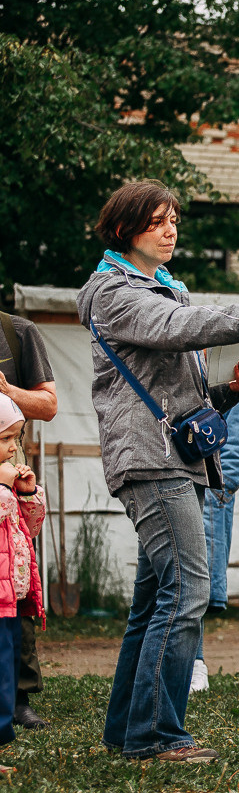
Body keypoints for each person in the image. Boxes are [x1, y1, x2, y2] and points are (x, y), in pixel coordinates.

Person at [77, 179, 239, 762]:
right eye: (157, 220)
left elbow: (166, 382)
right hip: (152, 464)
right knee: (188, 591)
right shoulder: (113, 292)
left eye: (174, 219)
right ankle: (157, 736)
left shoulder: (161, 288)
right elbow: (184, 327)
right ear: (122, 229)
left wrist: (225, 394)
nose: (170, 229)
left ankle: (126, 730)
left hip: (171, 457)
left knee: (155, 599)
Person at [0, 310, 57, 730]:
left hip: (7, 466)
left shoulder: (17, 333)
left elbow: (49, 405)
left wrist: (7, 392)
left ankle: (18, 695)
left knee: (13, 578)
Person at [190, 395, 239, 693]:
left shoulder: (228, 379)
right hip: (165, 494)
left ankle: (195, 663)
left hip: (205, 498)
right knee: (166, 582)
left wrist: (216, 490)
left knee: (194, 583)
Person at [0, 395, 45, 773]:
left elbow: (30, 529)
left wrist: (26, 494)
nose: (12, 447)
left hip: (10, 595)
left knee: (6, 663)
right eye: (3, 439)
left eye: (15, 437)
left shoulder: (12, 477)